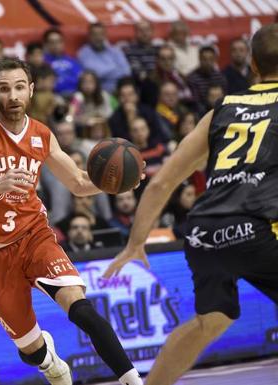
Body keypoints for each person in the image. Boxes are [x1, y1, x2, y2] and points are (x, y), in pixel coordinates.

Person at [0, 58, 143, 385]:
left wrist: (117, 182)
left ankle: (133, 380)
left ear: (30, 90)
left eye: (19, 87)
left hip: (34, 235)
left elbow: (77, 182)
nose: (13, 95)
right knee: (30, 350)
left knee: (81, 309)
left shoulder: (41, 134)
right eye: (4, 89)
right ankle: (50, 361)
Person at [103, 24, 278, 385]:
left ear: (253, 68)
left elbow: (163, 181)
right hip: (259, 228)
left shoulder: (222, 109)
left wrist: (135, 242)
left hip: (205, 230)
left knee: (210, 320)